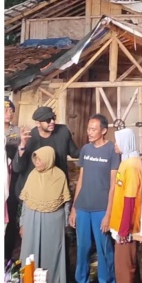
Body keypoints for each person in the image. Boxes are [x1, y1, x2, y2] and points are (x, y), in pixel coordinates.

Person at [70, 114, 120, 283]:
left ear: (104, 130)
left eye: (93, 129)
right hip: (83, 207)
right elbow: (81, 180)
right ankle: (81, 279)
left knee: (104, 249)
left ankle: (107, 280)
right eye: (88, 129)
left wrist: (108, 214)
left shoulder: (112, 150)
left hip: (101, 209)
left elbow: (113, 185)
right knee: (82, 248)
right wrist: (74, 208)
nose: (89, 132)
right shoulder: (85, 149)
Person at [19, 146, 71, 283]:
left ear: (49, 159)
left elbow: (66, 202)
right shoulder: (32, 175)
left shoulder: (59, 176)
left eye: (40, 159)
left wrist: (65, 225)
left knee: (51, 254)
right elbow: (25, 202)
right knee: (30, 255)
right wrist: (22, 223)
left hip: (53, 223)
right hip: (32, 219)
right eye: (35, 159)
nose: (36, 162)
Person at [109, 128, 142, 283]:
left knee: (124, 270)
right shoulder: (126, 162)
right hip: (120, 223)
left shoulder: (132, 166)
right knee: (126, 267)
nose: (115, 144)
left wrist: (123, 230)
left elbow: (130, 199)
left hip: (126, 227)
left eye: (117, 140)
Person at [4, 98, 20, 261]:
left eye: (11, 111)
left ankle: (8, 254)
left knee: (11, 211)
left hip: (13, 176)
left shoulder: (17, 131)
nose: (9, 113)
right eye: (5, 110)